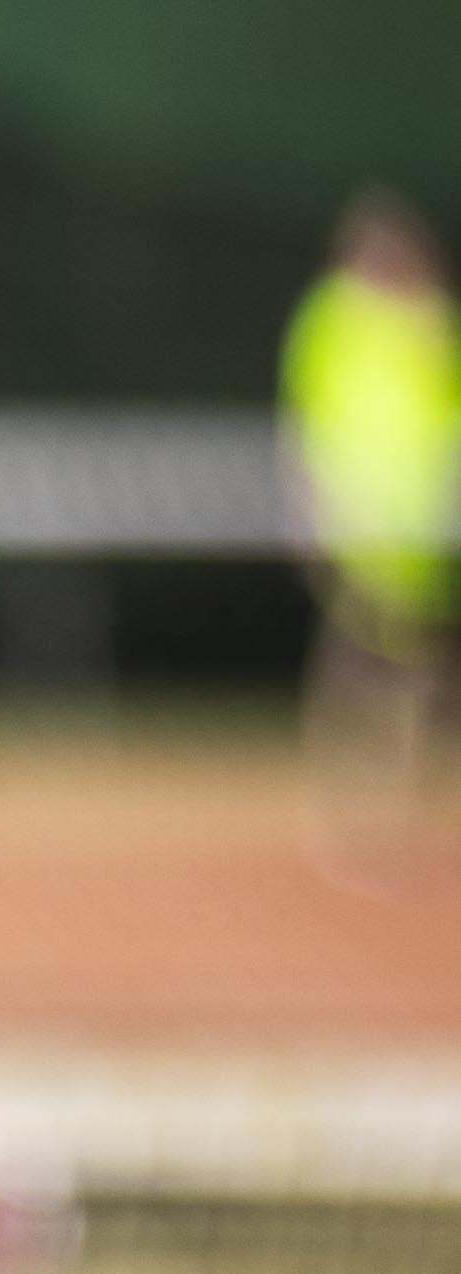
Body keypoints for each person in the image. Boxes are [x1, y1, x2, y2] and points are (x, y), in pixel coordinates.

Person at [286, 190, 459, 843]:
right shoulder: (331, 319)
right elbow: (304, 417)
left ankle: (403, 790)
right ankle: (345, 787)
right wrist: (307, 504)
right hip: (357, 525)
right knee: (356, 657)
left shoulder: (433, 322)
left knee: (421, 663)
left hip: (425, 535)